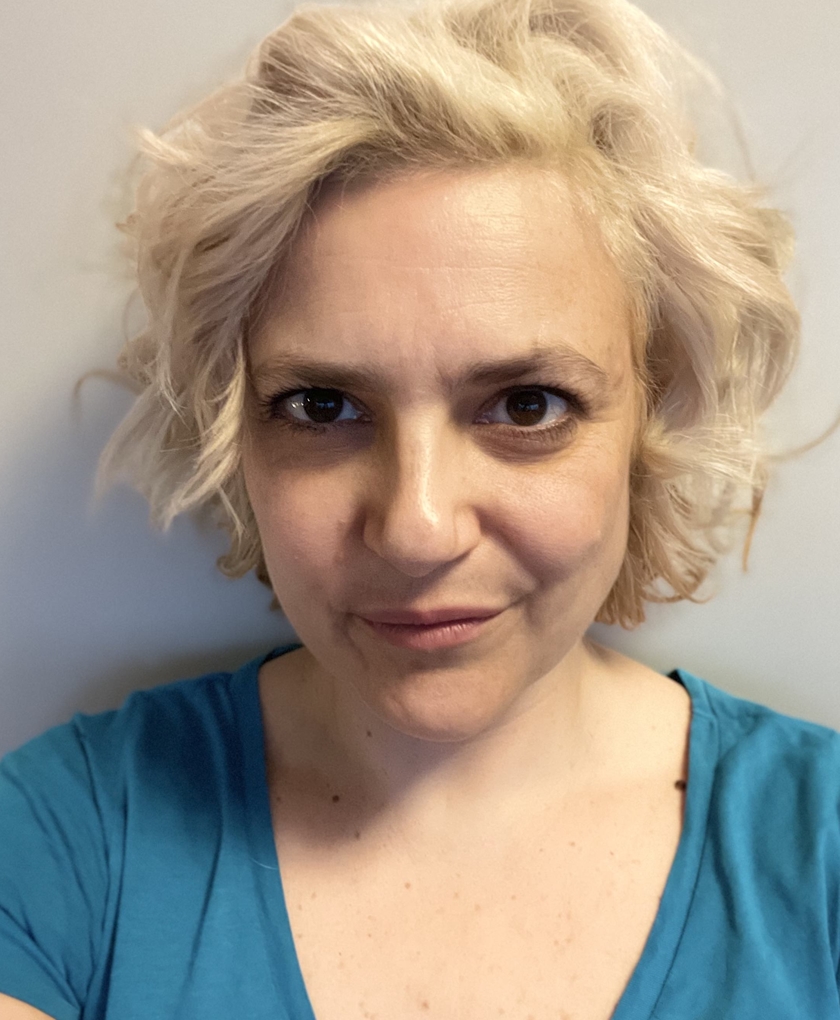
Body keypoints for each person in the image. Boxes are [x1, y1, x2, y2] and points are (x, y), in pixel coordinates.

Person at [1, 0, 837, 1016]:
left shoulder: (819, 856)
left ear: (647, 423)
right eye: (323, 406)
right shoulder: (66, 842)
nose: (416, 529)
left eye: (527, 406)